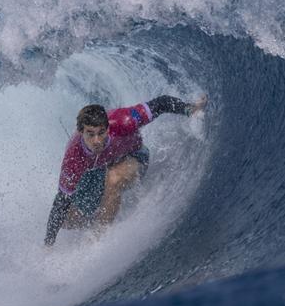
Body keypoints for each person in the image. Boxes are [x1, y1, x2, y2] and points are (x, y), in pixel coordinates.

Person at [44, 95, 207, 246]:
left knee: (114, 178)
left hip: (132, 156)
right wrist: (48, 245)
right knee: (66, 220)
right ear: (81, 132)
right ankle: (104, 211)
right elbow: (61, 202)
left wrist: (190, 109)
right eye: (90, 134)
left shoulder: (124, 121)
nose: (97, 140)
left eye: (101, 132)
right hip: (95, 171)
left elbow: (161, 103)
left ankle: (98, 239)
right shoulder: (74, 158)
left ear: (108, 127)